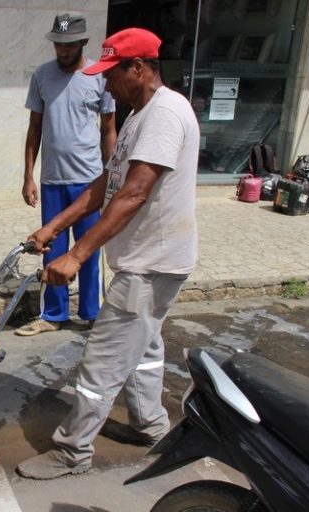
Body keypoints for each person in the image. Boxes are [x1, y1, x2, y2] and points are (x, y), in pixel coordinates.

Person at [17, 27, 200, 479]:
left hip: (150, 264)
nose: (105, 84)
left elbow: (135, 193)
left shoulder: (164, 115)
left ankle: (72, 451)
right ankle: (151, 424)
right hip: (147, 261)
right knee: (144, 348)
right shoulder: (139, 113)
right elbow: (107, 184)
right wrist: (53, 227)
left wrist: (76, 256)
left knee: (102, 360)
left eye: (112, 75)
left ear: (138, 67)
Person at [14, 12, 117, 337]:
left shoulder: (99, 76)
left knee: (89, 248)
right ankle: (53, 314)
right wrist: (29, 176)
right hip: (52, 182)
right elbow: (34, 128)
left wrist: (111, 173)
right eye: (57, 44)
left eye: (68, 44)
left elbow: (109, 129)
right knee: (51, 250)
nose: (61, 50)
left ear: (82, 42)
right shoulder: (42, 76)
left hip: (89, 180)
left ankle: (92, 314)